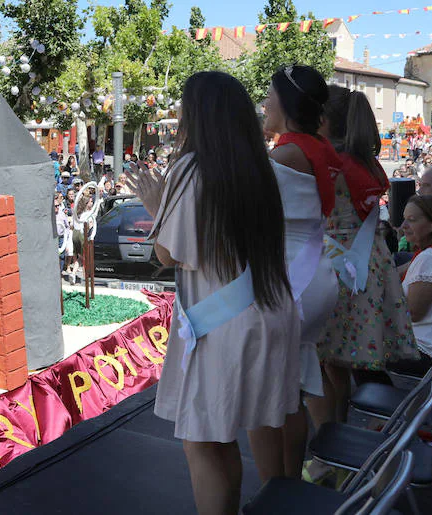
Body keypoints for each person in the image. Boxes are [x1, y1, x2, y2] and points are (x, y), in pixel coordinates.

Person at [128, 71, 300, 514]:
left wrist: (155, 206)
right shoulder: (260, 167)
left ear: (199, 115)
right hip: (265, 309)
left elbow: (168, 254)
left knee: (202, 442)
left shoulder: (191, 167)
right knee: (220, 435)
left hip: (223, 323)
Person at [310, 87, 417, 436]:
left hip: (335, 262)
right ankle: (337, 436)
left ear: (323, 120)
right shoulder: (368, 163)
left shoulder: (330, 164)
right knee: (337, 362)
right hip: (368, 262)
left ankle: (328, 445)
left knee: (320, 362)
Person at [261, 64, 341, 478]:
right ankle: (291, 481)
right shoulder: (316, 147)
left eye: (269, 95)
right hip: (312, 270)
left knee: (274, 400)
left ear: (286, 102)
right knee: (290, 393)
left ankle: (281, 488)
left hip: (293, 277)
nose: (264, 103)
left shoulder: (286, 153)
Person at [389, 195, 432, 375]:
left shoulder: (429, 258)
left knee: (355, 348)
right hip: (426, 349)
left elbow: (414, 313)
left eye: (411, 220)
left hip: (424, 352)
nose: (404, 226)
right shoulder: (428, 255)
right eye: (404, 219)